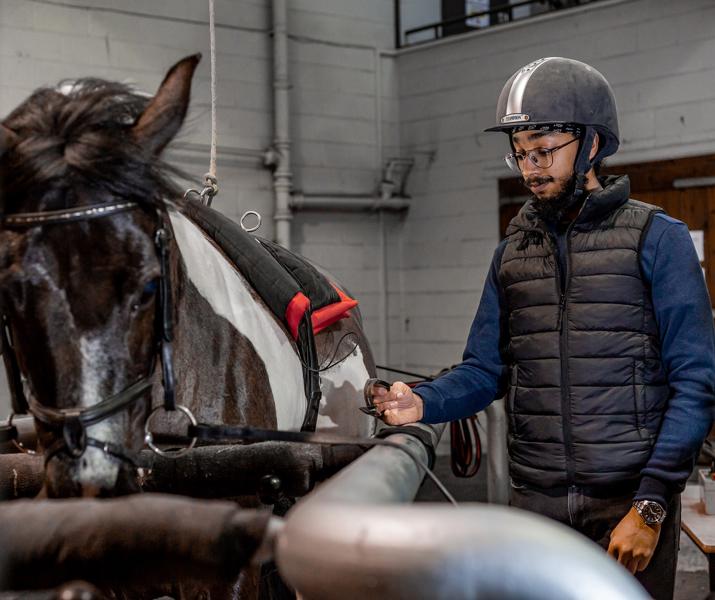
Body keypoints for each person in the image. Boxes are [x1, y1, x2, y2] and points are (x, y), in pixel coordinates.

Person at [372, 56, 715, 600]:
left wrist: (651, 506)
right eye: (521, 153)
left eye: (544, 151)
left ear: (593, 145)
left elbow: (696, 384)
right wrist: (422, 402)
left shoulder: (657, 239)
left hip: (626, 507)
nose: (529, 167)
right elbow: (485, 370)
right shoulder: (511, 255)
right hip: (536, 506)